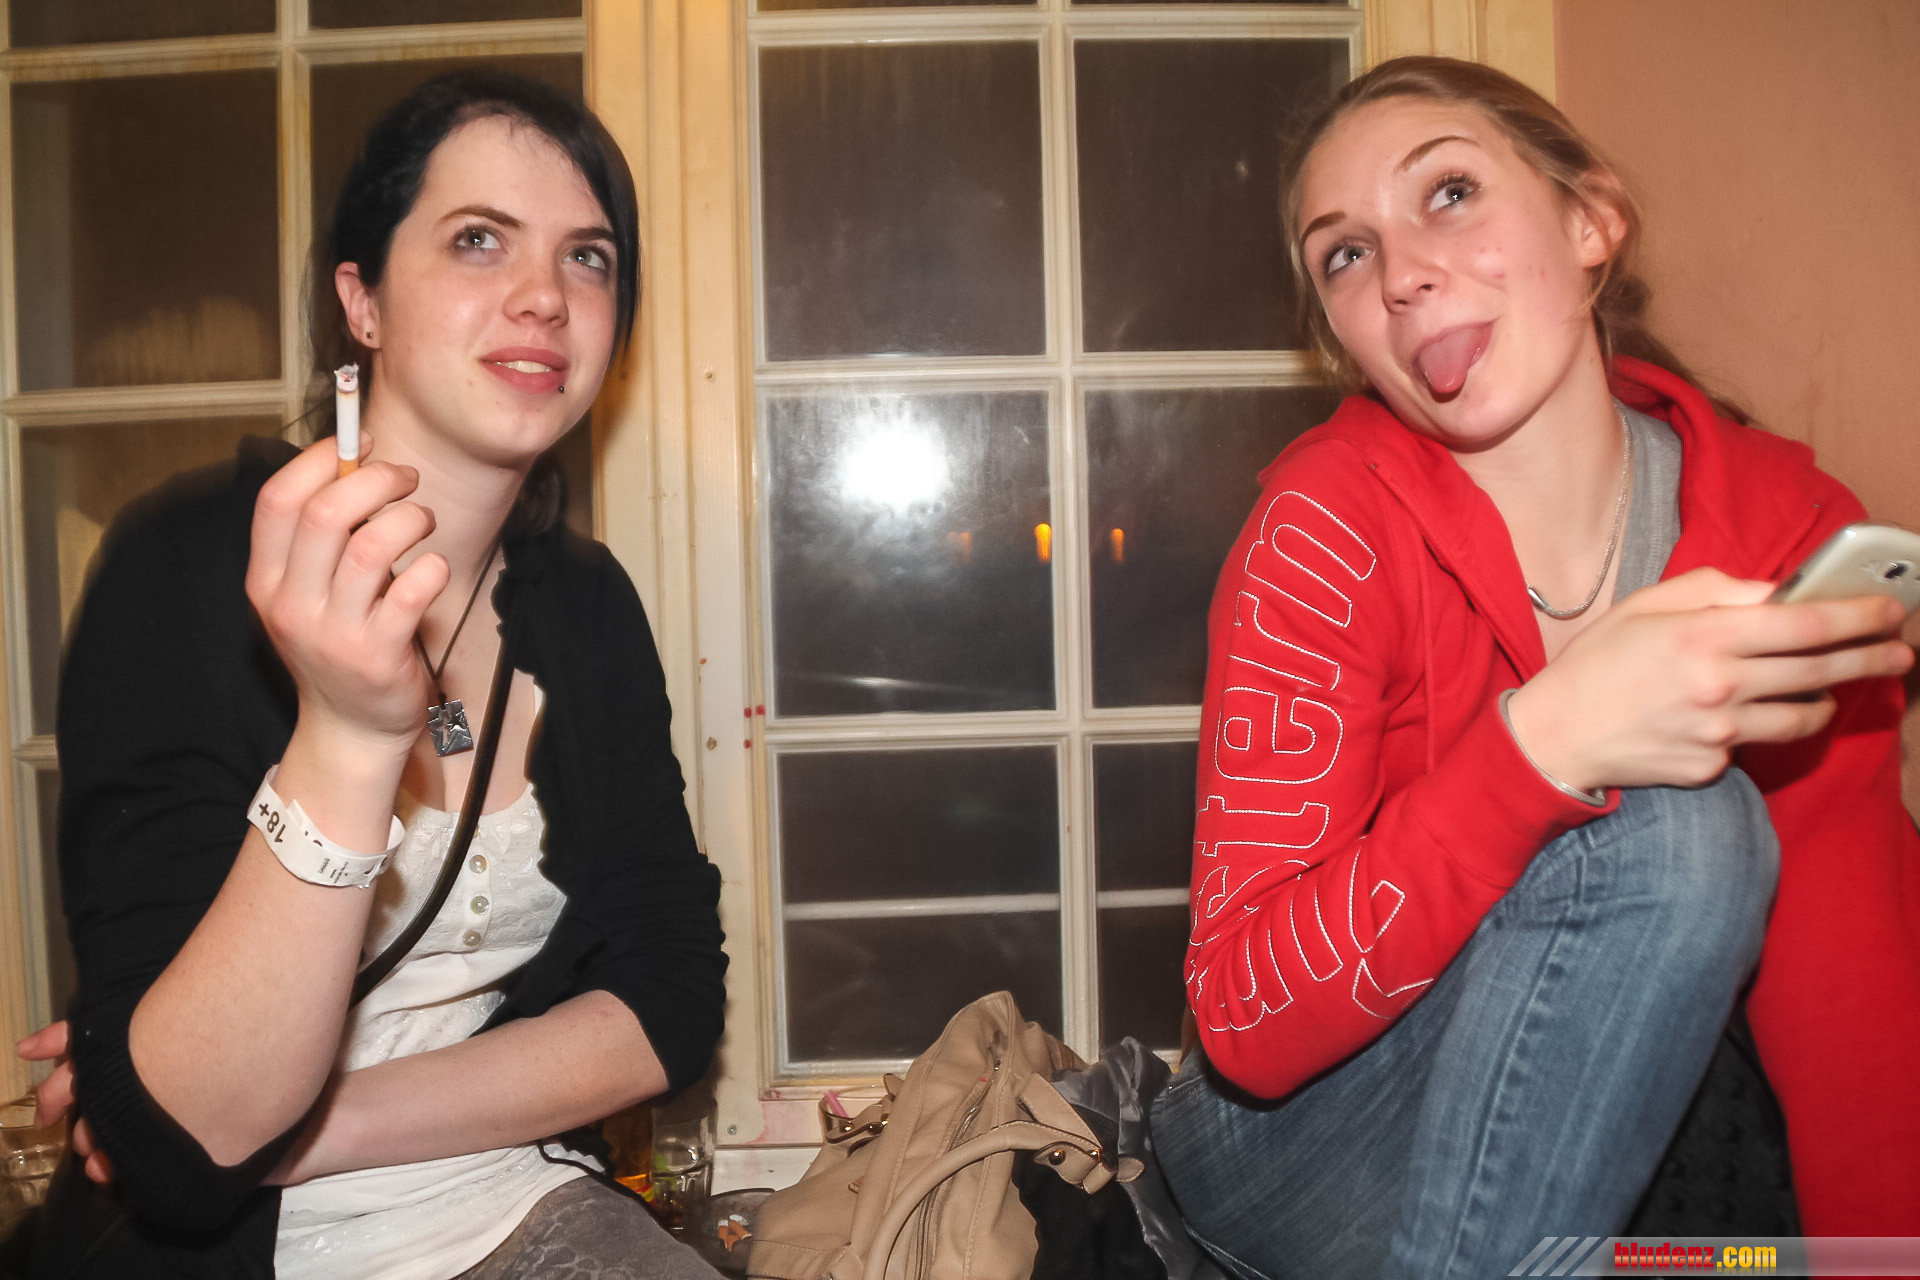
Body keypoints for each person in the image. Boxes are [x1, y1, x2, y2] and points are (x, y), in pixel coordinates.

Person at [1150, 55, 1920, 1279]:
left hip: (1580, 1112)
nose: (1401, 272)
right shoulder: (1323, 528)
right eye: (1344, 254)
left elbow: (1846, 984)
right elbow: (1243, 1016)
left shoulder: (1780, 529)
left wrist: (1885, 1258)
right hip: (1298, 1140)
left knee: (1747, 1231)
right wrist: (1543, 742)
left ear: (1590, 221)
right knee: (1681, 826)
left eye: (1449, 193)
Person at [15, 71, 728, 1278]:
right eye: (479, 238)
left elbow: (670, 998)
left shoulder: (587, 605)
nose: (545, 294)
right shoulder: (185, 564)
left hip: (516, 1204)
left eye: (589, 257)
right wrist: (346, 736)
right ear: (363, 300)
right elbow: (190, 1143)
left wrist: (311, 1129)